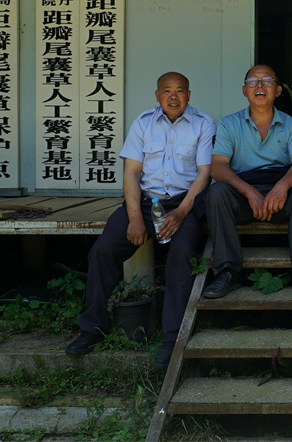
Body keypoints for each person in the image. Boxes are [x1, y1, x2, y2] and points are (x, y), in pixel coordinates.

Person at [65, 72, 216, 369]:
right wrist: (135, 217)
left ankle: (171, 339)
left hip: (183, 204)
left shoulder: (203, 124)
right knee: (102, 251)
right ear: (157, 95)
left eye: (180, 91)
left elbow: (204, 174)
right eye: (167, 90)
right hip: (145, 203)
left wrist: (182, 212)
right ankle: (92, 328)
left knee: (182, 256)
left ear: (189, 95)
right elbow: (132, 173)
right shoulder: (143, 123)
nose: (173, 96)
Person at [201, 65, 292, 300]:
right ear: (244, 91)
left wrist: (281, 187)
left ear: (278, 91)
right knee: (217, 193)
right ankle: (227, 273)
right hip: (244, 196)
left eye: (267, 81)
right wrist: (249, 192)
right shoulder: (229, 124)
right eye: (253, 82)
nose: (259, 86)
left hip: (280, 197)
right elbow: (217, 167)